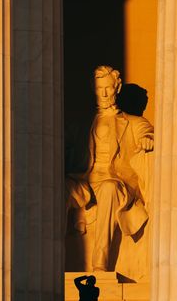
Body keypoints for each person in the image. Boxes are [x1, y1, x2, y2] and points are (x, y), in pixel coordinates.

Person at [66, 65, 154, 271]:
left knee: (109, 188)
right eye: (99, 88)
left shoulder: (133, 122)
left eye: (108, 88)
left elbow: (147, 133)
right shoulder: (81, 124)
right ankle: (47, 262)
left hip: (116, 184)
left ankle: (100, 263)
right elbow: (59, 140)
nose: (104, 93)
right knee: (61, 189)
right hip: (85, 183)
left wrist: (148, 140)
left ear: (118, 87)